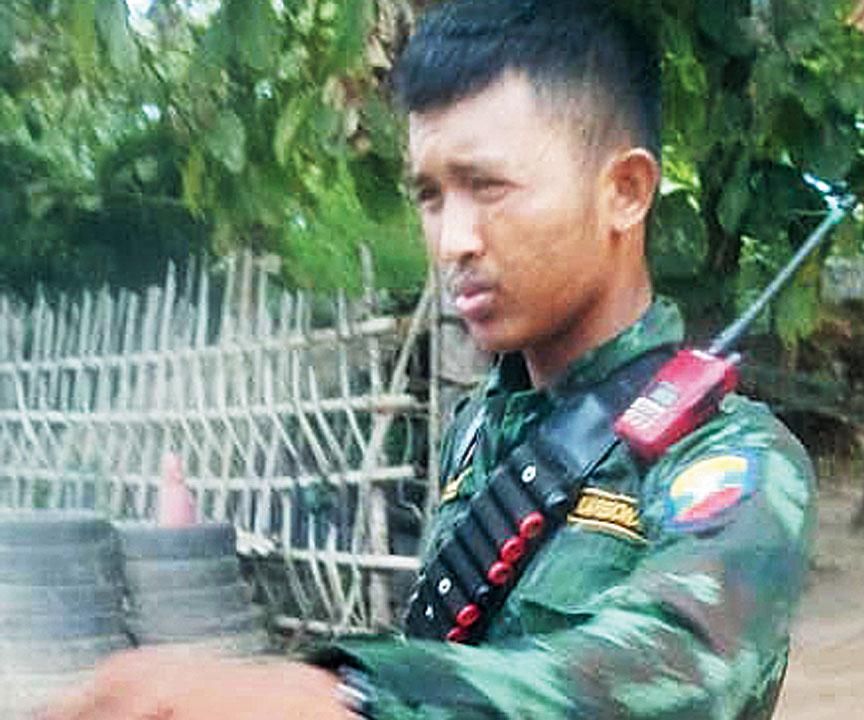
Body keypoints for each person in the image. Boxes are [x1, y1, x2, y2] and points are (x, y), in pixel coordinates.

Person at [42, 1, 815, 717]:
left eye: (488, 186)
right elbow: (457, 644)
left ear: (625, 191)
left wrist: (343, 698)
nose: (454, 242)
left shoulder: (730, 454)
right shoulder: (480, 425)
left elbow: (683, 664)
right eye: (432, 196)